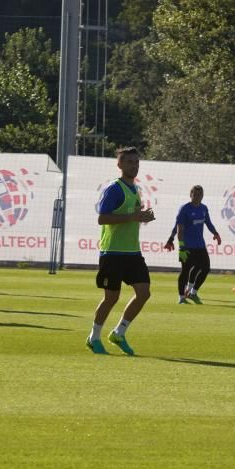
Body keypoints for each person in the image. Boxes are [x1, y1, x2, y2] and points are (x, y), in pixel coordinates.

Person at [87, 146, 156, 355]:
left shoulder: (136, 190)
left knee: (144, 293)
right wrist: (133, 217)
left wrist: (142, 216)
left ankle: (119, 332)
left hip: (132, 252)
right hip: (113, 252)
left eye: (136, 162)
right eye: (129, 162)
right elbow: (102, 218)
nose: (134, 166)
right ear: (120, 164)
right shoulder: (114, 189)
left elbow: (130, 217)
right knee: (111, 298)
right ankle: (94, 337)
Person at [164, 185, 221, 304]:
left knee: (205, 268)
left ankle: (193, 293)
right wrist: (179, 244)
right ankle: (181, 298)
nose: (197, 197)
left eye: (200, 195)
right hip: (187, 246)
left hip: (200, 245)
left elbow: (208, 223)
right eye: (195, 194)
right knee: (185, 271)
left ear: (203, 196)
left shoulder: (204, 208)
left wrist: (215, 233)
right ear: (190, 195)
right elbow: (179, 227)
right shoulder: (185, 209)